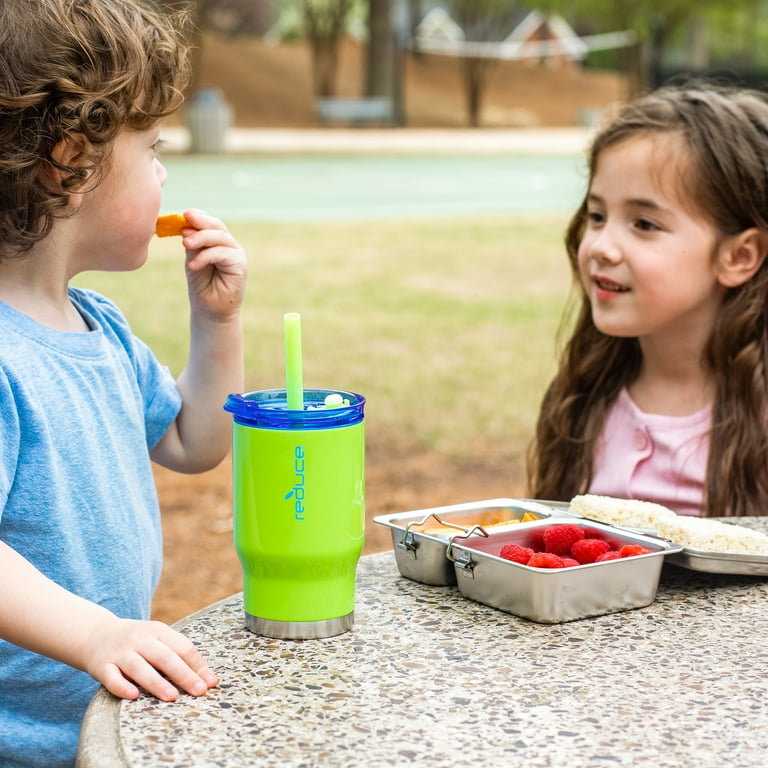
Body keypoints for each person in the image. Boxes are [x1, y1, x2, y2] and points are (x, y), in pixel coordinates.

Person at [0, 1, 247, 765]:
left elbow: (192, 441)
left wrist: (217, 326)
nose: (167, 172)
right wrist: (97, 634)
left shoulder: (98, 328)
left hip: (97, 727)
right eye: (154, 148)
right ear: (69, 164)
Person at [528, 83, 768, 518]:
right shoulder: (588, 392)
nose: (601, 245)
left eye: (644, 223)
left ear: (739, 256)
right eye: (597, 216)